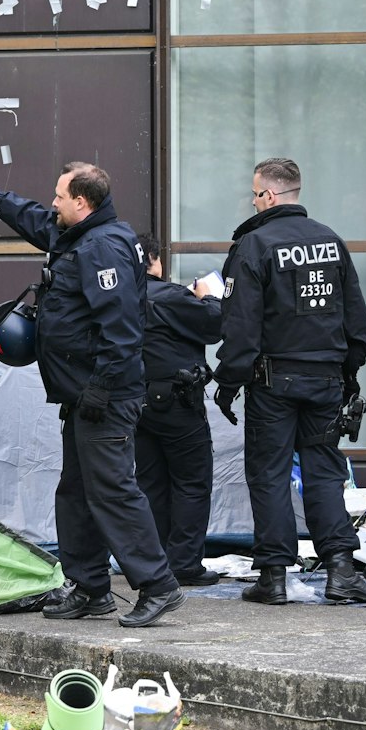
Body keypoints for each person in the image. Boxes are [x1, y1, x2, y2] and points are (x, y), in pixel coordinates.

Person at [0, 162, 183, 627]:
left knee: (113, 489)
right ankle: (90, 588)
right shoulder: (76, 235)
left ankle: (158, 585)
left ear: (82, 202)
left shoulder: (105, 248)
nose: (52, 203)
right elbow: (36, 219)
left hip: (105, 397)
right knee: (75, 492)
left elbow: (123, 331)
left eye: (59, 196)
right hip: (81, 396)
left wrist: (101, 388)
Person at [214, 157, 366, 604]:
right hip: (326, 380)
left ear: (269, 196)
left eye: (254, 193)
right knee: (324, 472)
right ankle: (341, 570)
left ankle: (273, 576)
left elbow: (240, 324)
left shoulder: (255, 244)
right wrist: (349, 374)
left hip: (274, 382)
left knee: (268, 473)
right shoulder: (331, 241)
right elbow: (356, 320)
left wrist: (229, 381)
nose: (252, 201)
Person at [136, 236, 225, 586]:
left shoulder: (118, 298)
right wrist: (209, 294)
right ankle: (185, 564)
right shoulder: (172, 296)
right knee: (191, 481)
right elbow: (214, 325)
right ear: (154, 259)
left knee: (151, 483)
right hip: (177, 402)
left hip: (136, 402)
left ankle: (156, 563)